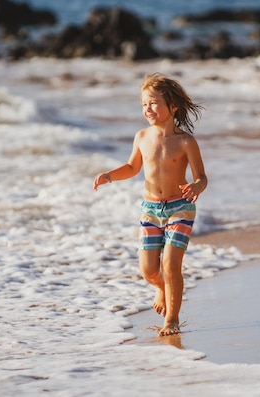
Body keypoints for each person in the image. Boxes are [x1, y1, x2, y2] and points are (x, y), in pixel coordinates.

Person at [93, 73, 207, 336]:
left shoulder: (186, 141)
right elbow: (133, 167)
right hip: (150, 209)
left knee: (170, 265)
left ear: (173, 106)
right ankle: (162, 288)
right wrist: (109, 175)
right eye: (144, 104)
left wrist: (197, 187)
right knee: (148, 270)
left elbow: (201, 177)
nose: (148, 109)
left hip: (180, 207)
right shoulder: (142, 137)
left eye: (154, 103)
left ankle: (172, 320)